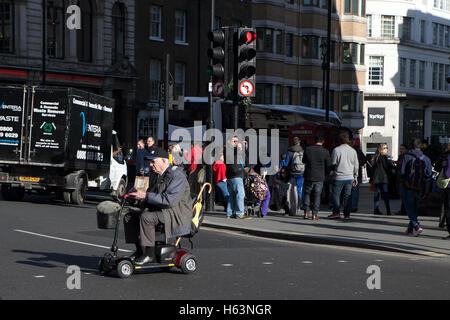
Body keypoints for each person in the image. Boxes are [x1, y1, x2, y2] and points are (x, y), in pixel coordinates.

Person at [124, 148, 193, 265]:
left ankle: (149, 255)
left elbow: (169, 200)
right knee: (130, 216)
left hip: (175, 214)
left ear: (164, 161)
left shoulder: (177, 176)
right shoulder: (156, 175)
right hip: (162, 210)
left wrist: (145, 195)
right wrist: (135, 198)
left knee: (147, 217)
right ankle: (140, 251)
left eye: (153, 162)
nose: (150, 165)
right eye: (150, 162)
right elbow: (151, 196)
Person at [400, 138, 433, 236]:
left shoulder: (406, 156)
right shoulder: (426, 158)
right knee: (415, 208)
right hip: (420, 186)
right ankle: (410, 229)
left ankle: (416, 225)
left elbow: (401, 172)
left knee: (409, 208)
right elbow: (429, 174)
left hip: (408, 186)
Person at [328, 130, 359, 220]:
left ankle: (336, 212)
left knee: (336, 195)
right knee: (347, 196)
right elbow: (356, 165)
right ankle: (347, 214)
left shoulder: (336, 150)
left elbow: (333, 162)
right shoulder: (353, 151)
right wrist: (355, 177)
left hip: (339, 177)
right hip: (350, 177)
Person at [302, 134, 331, 220]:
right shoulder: (325, 151)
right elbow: (328, 165)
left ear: (314, 141)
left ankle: (306, 212)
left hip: (309, 175)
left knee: (307, 194)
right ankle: (315, 214)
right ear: (323, 141)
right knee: (317, 195)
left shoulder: (308, 149)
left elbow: (304, 160)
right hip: (319, 177)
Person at [225, 136, 248, 219]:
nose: (236, 143)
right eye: (234, 141)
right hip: (235, 175)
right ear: (229, 142)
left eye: (237, 141)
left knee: (232, 195)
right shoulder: (229, 149)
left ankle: (230, 213)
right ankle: (240, 213)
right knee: (240, 194)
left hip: (233, 175)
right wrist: (240, 147)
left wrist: (244, 148)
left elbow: (242, 156)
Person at [370, 143, 394, 216]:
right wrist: (391, 167)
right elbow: (386, 167)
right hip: (383, 178)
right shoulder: (383, 157)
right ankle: (388, 210)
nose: (386, 149)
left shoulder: (375, 157)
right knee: (385, 194)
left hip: (376, 179)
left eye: (387, 147)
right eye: (384, 148)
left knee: (377, 194)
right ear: (380, 149)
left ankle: (376, 209)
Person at [286, 136, 305, 214]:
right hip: (301, 173)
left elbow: (286, 163)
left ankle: (292, 206)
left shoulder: (290, 151)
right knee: (299, 189)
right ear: (299, 142)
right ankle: (300, 204)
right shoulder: (303, 151)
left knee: (290, 191)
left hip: (293, 173)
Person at [347, 139, 367, 213]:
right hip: (351, 173)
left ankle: (352, 206)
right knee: (352, 191)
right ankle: (351, 206)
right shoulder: (355, 150)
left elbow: (364, 160)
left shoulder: (357, 150)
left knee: (352, 190)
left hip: (353, 173)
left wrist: (359, 163)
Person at [395, 144, 408, 215]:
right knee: (402, 195)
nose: (401, 150)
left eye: (402, 149)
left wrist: (398, 163)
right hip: (399, 178)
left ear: (406, 149)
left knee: (404, 195)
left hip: (403, 179)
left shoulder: (406, 157)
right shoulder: (400, 156)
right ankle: (403, 209)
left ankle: (404, 210)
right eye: (400, 149)